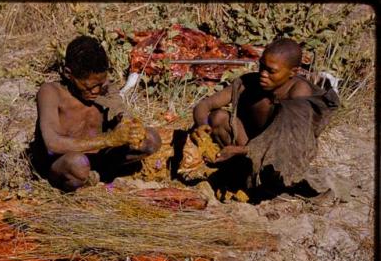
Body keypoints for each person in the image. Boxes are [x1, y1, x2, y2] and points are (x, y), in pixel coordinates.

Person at [192, 38, 340, 198]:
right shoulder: (249, 82)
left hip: (277, 159)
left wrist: (241, 151)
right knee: (218, 118)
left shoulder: (298, 93)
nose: (263, 74)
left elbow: (287, 144)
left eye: (271, 71)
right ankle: (238, 174)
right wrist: (202, 125)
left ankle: (258, 184)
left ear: (293, 72)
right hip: (246, 147)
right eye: (261, 66)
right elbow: (205, 104)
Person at [29, 35, 161, 192]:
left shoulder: (105, 88)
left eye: (100, 83)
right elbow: (53, 144)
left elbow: (121, 112)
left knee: (151, 139)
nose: (96, 91)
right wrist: (109, 139)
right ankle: (81, 183)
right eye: (89, 86)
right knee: (77, 163)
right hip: (64, 163)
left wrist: (130, 128)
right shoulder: (51, 92)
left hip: (100, 161)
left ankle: (101, 177)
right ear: (68, 73)